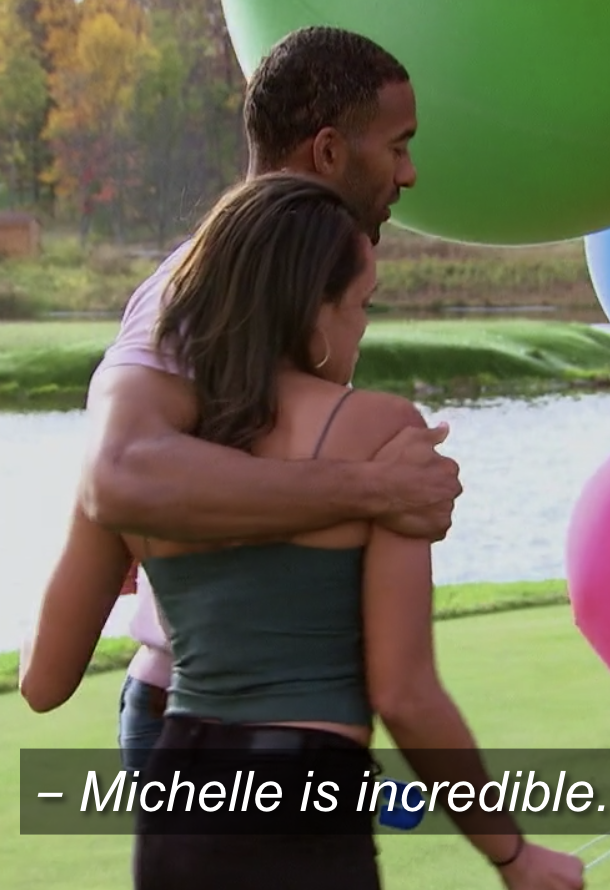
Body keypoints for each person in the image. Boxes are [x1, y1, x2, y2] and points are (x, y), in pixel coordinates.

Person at [20, 173, 587, 890]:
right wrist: (513, 854)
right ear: (313, 313)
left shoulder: (142, 457)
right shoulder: (382, 435)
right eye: (361, 305)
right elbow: (406, 694)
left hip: (177, 794)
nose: (361, 328)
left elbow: (42, 679)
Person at [78, 26, 463, 776]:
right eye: (397, 145)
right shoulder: (183, 299)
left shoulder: (294, 292)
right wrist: (379, 487)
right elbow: (117, 474)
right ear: (326, 152)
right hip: (187, 707)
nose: (408, 173)